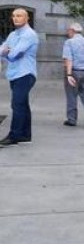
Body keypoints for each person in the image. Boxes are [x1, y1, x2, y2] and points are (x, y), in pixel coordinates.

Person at [0, 8, 39, 147]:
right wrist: (7, 52)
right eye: (14, 16)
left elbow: (13, 53)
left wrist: (8, 52)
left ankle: (14, 135)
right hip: (14, 74)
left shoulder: (29, 34)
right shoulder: (12, 34)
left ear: (27, 18)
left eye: (19, 16)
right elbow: (3, 50)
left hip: (25, 74)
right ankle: (25, 135)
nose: (15, 18)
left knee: (17, 104)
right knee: (22, 104)